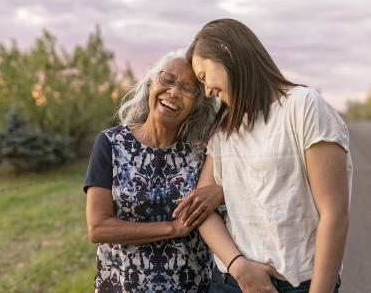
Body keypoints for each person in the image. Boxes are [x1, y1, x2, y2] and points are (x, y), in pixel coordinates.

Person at [175, 18, 353, 293]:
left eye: (203, 76)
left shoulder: (303, 107)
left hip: (299, 284)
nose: (207, 91)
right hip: (232, 283)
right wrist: (238, 266)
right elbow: (202, 210)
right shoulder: (225, 129)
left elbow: (334, 214)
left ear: (227, 51)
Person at [84, 50, 224, 292]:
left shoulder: (204, 151)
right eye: (167, 80)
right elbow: (98, 228)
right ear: (151, 84)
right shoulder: (111, 143)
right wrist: (173, 228)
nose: (173, 92)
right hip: (123, 285)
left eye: (188, 89)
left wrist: (220, 193)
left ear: (198, 104)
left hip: (192, 286)